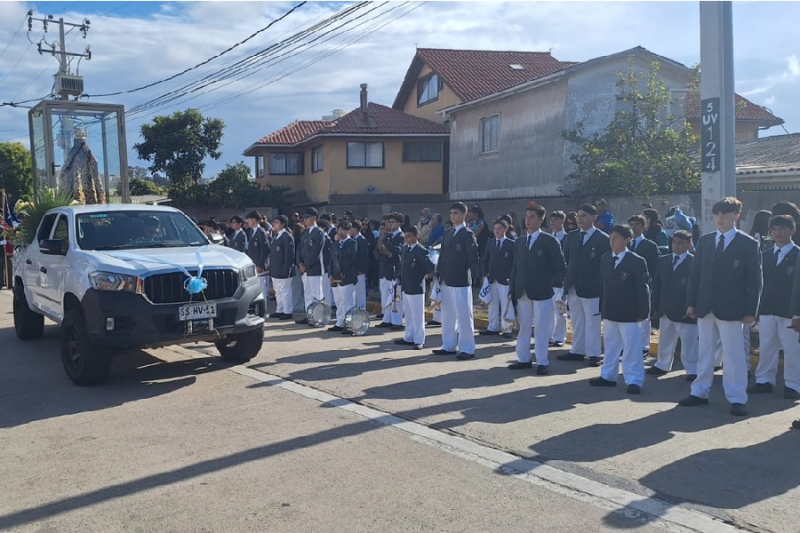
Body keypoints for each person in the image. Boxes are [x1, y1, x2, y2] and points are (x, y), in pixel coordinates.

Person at [681, 197, 762, 417]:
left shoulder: (747, 243)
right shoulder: (705, 241)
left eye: (725, 214)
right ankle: (699, 392)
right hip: (705, 305)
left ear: (736, 216)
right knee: (705, 351)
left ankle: (737, 398)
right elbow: (695, 274)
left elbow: (754, 280)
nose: (720, 218)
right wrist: (691, 302)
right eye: (717, 214)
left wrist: (751, 310)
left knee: (734, 355)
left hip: (732, 307)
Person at [590, 224, 650, 394]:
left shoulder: (636, 261)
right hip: (610, 309)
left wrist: (643, 311)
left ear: (627, 240)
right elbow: (603, 285)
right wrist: (602, 307)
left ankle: (634, 380)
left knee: (631, 347)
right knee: (610, 345)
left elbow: (643, 288)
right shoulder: (605, 259)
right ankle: (608, 376)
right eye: (611, 238)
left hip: (629, 311)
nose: (612, 241)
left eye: (616, 238)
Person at [508, 203, 567, 374]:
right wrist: (513, 287)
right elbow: (515, 267)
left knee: (542, 328)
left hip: (542, 292)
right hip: (522, 291)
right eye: (526, 217)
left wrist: (547, 282)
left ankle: (542, 361)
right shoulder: (520, 241)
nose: (528, 220)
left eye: (532, 217)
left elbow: (560, 267)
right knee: (524, 326)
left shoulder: (549, 240)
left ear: (541, 219)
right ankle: (523, 358)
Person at [749, 215, 800, 398]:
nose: (778, 233)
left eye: (783, 229)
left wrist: (797, 313)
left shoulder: (797, 255)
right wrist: (756, 309)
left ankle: (793, 385)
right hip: (767, 309)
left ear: (792, 231)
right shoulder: (765, 256)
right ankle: (764, 380)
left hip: (789, 311)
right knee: (767, 346)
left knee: (792, 350)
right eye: (775, 229)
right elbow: (759, 285)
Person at [558, 204, 611, 367]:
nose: (580, 219)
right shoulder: (572, 236)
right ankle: (577, 350)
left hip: (592, 286)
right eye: (578, 216)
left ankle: (594, 353)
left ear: (594, 218)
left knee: (592, 321)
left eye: (584, 216)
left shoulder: (602, 238)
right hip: (573, 284)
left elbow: (606, 264)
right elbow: (565, 258)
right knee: (577, 320)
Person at [647, 230, 698, 378]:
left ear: (689, 245)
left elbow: (697, 286)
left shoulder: (694, 262)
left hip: (685, 310)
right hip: (665, 308)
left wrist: (693, 305)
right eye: (674, 242)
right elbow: (657, 285)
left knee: (689, 342)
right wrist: (655, 306)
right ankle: (662, 364)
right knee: (666, 338)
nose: (676, 245)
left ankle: (692, 370)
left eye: (681, 243)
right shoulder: (664, 261)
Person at [433, 202, 479, 360]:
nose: (453, 216)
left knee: (464, 315)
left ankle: (467, 348)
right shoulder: (448, 233)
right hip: (446, 279)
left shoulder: (467, 233)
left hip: (460, 280)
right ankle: (448, 345)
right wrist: (439, 273)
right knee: (448, 315)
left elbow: (473, 257)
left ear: (464, 214)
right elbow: (442, 256)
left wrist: (461, 269)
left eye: (456, 213)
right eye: (451, 213)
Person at [395, 226, 436, 350]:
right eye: (405, 236)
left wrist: (425, 276)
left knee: (418, 315)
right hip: (406, 285)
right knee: (408, 314)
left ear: (416, 237)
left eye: (409, 236)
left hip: (416, 286)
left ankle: (419, 340)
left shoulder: (421, 250)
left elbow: (430, 267)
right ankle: (409, 336)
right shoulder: (405, 249)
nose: (406, 239)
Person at [628, 214, 659, 355]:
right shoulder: (625, 244)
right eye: (631, 225)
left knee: (644, 317)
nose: (633, 227)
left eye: (637, 224)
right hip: (626, 285)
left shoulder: (650, 245)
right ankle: (629, 345)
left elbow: (654, 267)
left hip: (644, 285)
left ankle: (643, 346)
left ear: (643, 226)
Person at [295, 207, 332, 326]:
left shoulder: (319, 232)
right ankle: (309, 316)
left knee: (317, 295)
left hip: (314, 268)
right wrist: (300, 263)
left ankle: (318, 318)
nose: (305, 219)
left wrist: (306, 264)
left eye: (307, 217)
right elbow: (299, 249)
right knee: (307, 293)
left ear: (314, 218)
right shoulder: (305, 232)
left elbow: (316, 252)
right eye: (304, 217)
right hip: (304, 269)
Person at [480, 219, 515, 338]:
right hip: (492, 278)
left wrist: (511, 277)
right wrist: (485, 274)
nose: (496, 231)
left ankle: (507, 329)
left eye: (499, 228)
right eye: (495, 228)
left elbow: (514, 262)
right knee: (492, 304)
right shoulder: (490, 243)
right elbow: (485, 259)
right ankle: (493, 327)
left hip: (505, 279)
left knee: (506, 304)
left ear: (505, 229)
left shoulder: (511, 244)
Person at [375, 213, 404, 330]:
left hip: (394, 270)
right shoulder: (387, 235)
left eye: (392, 222)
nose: (390, 225)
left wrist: (386, 243)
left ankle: (396, 321)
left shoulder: (401, 236)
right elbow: (377, 250)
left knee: (395, 297)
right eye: (389, 222)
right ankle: (386, 319)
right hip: (384, 268)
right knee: (385, 296)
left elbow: (396, 252)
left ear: (399, 223)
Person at [328, 222, 358, 334]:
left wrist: (337, 243)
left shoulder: (352, 243)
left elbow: (346, 258)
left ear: (348, 231)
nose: (340, 232)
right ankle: (340, 322)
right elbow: (332, 259)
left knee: (347, 302)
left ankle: (349, 324)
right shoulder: (336, 244)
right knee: (338, 301)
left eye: (343, 230)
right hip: (335, 276)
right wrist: (330, 274)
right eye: (339, 230)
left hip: (346, 276)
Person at [268, 215, 295, 320]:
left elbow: (289, 255)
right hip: (276, 268)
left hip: (283, 269)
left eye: (277, 222)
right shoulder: (276, 236)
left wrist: (287, 269)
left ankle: (287, 311)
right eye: (274, 222)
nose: (274, 224)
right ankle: (280, 309)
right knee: (278, 291)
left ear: (283, 224)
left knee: (285, 291)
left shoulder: (287, 236)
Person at [549, 210, 568, 347]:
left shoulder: (568, 239)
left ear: (562, 221)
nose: (553, 222)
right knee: (547, 311)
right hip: (547, 280)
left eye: (556, 220)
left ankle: (559, 337)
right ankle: (549, 336)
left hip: (561, 281)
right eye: (551, 220)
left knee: (560, 310)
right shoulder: (548, 238)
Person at [245, 211, 271, 305]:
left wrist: (261, 264)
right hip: (253, 264)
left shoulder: (261, 232)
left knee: (262, 290)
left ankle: (264, 309)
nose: (248, 222)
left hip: (259, 266)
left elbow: (265, 249)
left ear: (254, 220)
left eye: (249, 219)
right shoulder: (252, 232)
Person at [349, 219, 370, 309]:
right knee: (354, 292)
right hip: (353, 270)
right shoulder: (352, 240)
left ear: (355, 229)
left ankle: (361, 309)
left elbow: (364, 257)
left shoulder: (362, 240)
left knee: (360, 292)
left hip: (359, 271)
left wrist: (362, 269)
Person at [291, 222, 306, 314]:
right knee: (299, 287)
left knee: (295, 287)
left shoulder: (293, 239)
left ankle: (296, 304)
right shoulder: (300, 240)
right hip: (298, 265)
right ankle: (297, 306)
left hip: (294, 265)